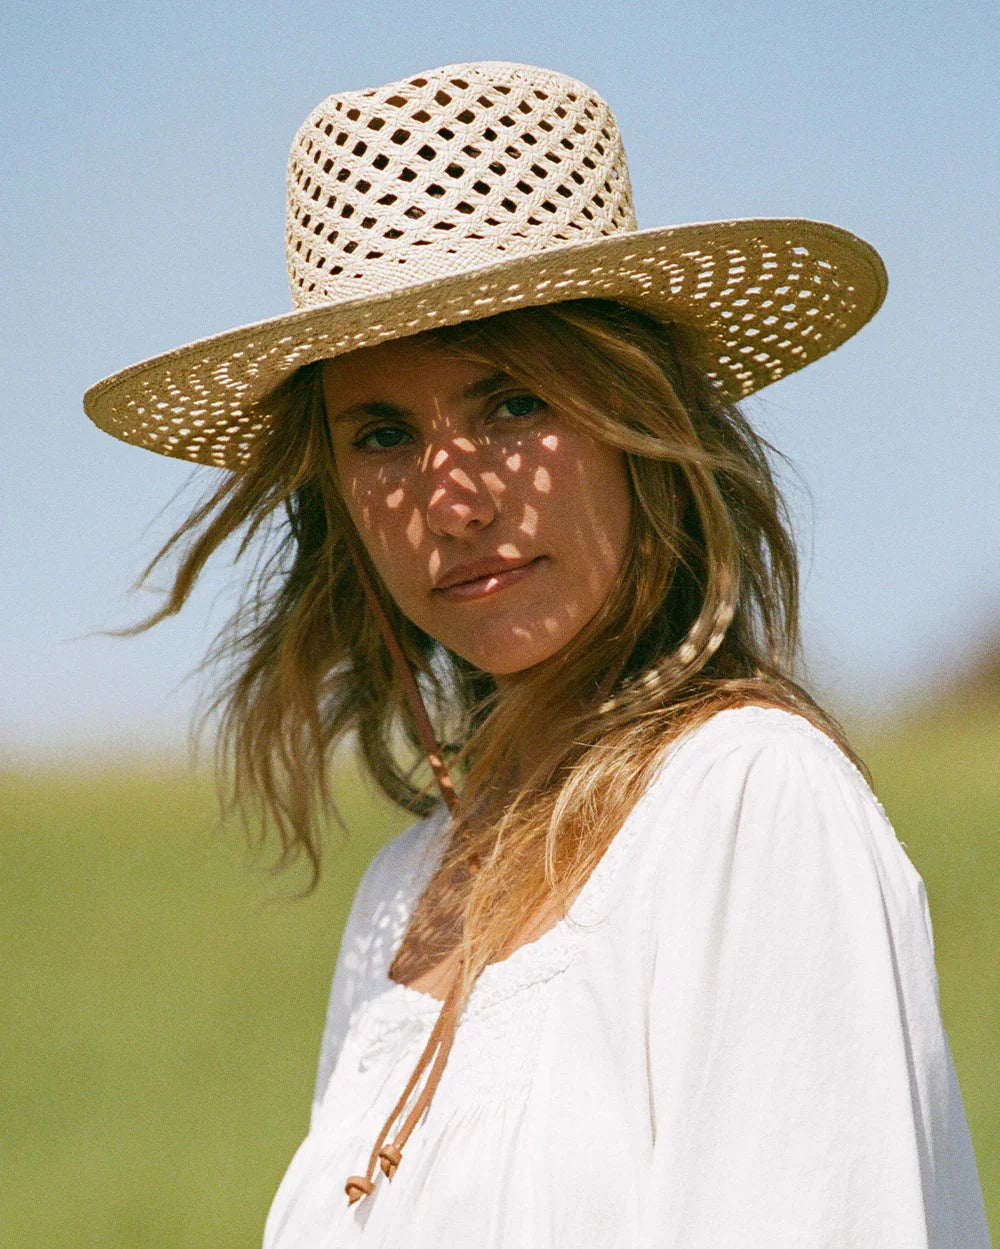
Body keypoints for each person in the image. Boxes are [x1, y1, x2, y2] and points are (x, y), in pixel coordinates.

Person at [84, 62, 990, 1248]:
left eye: (512, 402)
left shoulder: (750, 805)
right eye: (380, 433)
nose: (448, 501)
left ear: (642, 422)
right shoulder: (405, 889)